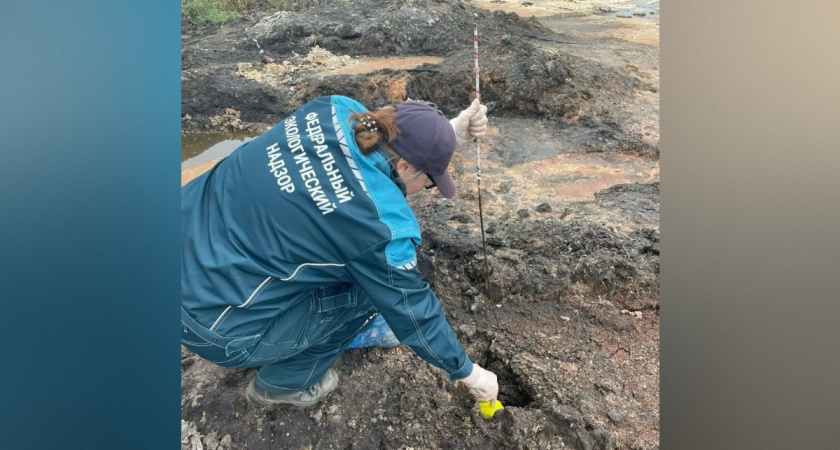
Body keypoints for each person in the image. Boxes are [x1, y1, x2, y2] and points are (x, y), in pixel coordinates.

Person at [181, 94, 499, 408]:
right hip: (212, 326)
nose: (425, 189)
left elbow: (384, 136)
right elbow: (413, 311)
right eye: (430, 182)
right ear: (405, 166)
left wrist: (446, 132)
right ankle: (281, 385)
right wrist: (470, 374)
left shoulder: (332, 109)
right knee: (371, 294)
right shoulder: (380, 225)